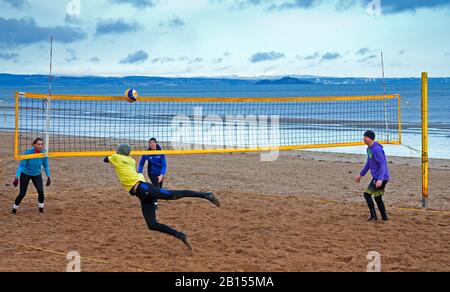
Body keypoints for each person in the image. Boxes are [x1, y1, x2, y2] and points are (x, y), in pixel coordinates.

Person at [104, 144, 220, 250]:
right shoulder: (131, 160)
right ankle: (180, 235)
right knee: (152, 225)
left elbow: (105, 159)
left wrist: (114, 155)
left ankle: (206, 195)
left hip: (145, 189)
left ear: (119, 152)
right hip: (143, 195)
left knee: (173, 195)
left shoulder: (116, 158)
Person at [356, 130, 390, 221]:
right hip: (379, 177)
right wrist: (361, 174)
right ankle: (384, 218)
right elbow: (369, 163)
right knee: (377, 198)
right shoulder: (369, 148)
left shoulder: (376, 149)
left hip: (381, 177)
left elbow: (383, 164)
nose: (364, 138)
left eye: (365, 137)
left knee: (367, 195)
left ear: (370, 138)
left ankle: (374, 216)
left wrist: (380, 179)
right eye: (364, 136)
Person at [12, 138, 51, 215]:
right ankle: (14, 209)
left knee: (40, 191)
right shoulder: (27, 153)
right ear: (34, 144)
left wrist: (48, 176)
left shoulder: (44, 153)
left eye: (41, 144)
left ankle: (41, 209)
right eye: (38, 144)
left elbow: (46, 166)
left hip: (36, 174)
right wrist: (16, 178)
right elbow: (21, 166)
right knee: (22, 193)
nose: (40, 146)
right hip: (25, 174)